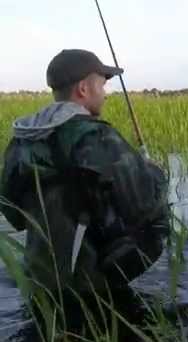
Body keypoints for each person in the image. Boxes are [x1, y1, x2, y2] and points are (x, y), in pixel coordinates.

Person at [0, 49, 171, 299]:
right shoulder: (96, 136)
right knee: (155, 226)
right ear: (83, 89)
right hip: (90, 286)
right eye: (102, 85)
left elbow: (13, 215)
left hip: (39, 278)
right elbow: (143, 205)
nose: (105, 94)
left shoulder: (21, 141)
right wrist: (153, 171)